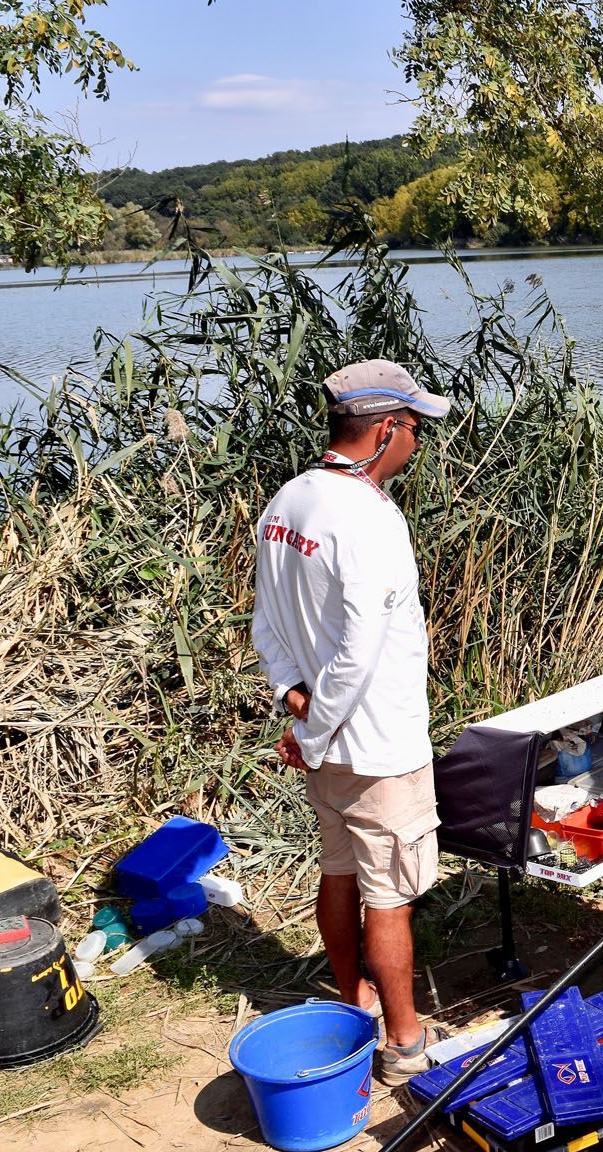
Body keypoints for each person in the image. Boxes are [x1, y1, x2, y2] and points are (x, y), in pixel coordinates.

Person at [251, 358, 451, 1082]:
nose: (419, 445)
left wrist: (291, 698)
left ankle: (352, 998)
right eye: (415, 430)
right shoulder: (371, 518)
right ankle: (403, 1040)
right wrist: (314, 724)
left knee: (339, 871)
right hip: (378, 747)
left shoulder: (287, 502)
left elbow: (264, 622)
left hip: (326, 746)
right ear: (386, 429)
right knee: (389, 895)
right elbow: (358, 650)